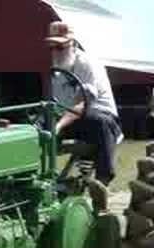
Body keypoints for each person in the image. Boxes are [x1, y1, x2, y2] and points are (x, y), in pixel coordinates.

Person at [45, 21, 123, 187]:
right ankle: (40, 179)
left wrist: (58, 126)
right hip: (68, 118)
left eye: (60, 47)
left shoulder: (87, 63)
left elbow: (81, 104)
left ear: (72, 44)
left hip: (97, 115)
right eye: (51, 47)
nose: (55, 52)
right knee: (33, 128)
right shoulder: (57, 68)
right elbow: (56, 104)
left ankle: (102, 181)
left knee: (99, 122)